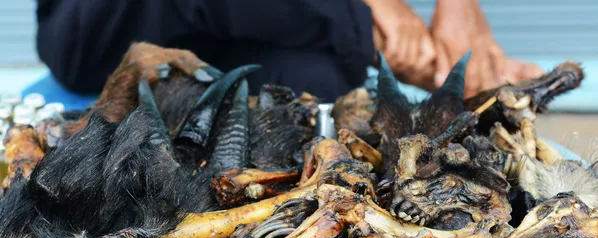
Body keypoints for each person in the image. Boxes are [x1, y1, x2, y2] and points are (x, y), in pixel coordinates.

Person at [36, 0, 543, 102]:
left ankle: (395, 49)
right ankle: (400, 51)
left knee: (317, 82)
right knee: (348, 32)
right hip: (99, 26)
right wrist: (369, 12)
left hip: (239, 32)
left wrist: (459, 5)